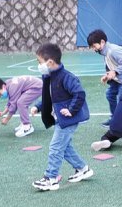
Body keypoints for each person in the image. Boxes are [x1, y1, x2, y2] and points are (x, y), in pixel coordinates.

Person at [32, 43, 94, 191]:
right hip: (62, 118)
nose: (39, 65)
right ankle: (83, 169)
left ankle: (51, 178)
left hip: (69, 119)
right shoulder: (50, 76)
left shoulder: (66, 77)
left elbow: (79, 94)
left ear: (50, 62)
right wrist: (39, 106)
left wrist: (71, 110)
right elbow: (50, 96)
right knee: (64, 147)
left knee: (56, 146)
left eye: (39, 62)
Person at [87, 29, 122, 127]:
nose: (94, 49)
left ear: (102, 42)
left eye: (94, 46)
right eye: (92, 47)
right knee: (110, 94)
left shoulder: (113, 50)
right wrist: (107, 76)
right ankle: (115, 119)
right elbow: (112, 67)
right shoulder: (105, 52)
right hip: (119, 79)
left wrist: (115, 72)